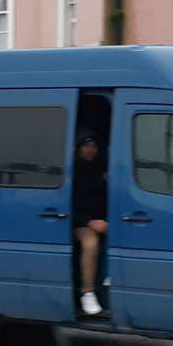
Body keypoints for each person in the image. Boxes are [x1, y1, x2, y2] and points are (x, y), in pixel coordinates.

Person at [72, 135, 108, 317]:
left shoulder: (102, 168)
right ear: (79, 148)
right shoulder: (73, 170)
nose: (90, 149)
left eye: (93, 145)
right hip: (80, 222)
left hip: (104, 221)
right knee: (90, 244)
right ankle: (87, 292)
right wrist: (90, 222)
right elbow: (70, 204)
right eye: (86, 145)